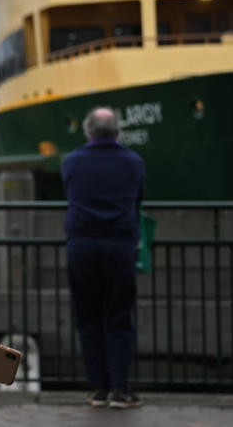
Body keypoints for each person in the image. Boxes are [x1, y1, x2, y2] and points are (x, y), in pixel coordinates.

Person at [62, 107, 146, 410]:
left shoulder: (72, 162)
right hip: (120, 247)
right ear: (117, 131)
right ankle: (121, 390)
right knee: (120, 320)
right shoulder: (133, 163)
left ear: (88, 131)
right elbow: (137, 200)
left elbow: (70, 194)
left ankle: (98, 389)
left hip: (82, 246)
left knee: (88, 319)